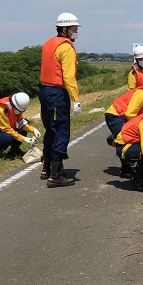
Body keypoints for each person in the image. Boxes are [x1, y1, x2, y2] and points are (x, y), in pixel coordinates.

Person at [39, 12, 82, 188]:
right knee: (61, 132)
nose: (75, 32)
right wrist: (75, 99)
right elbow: (69, 76)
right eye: (73, 29)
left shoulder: (49, 43)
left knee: (50, 129)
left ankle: (47, 168)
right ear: (65, 29)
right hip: (57, 94)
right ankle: (55, 176)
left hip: (44, 90)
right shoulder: (66, 47)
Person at [0, 92, 41, 159]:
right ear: (14, 105)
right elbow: (6, 130)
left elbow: (20, 123)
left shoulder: (15, 108)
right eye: (19, 110)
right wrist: (24, 138)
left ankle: (14, 150)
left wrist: (33, 129)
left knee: (25, 122)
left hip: (1, 130)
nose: (20, 112)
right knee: (8, 137)